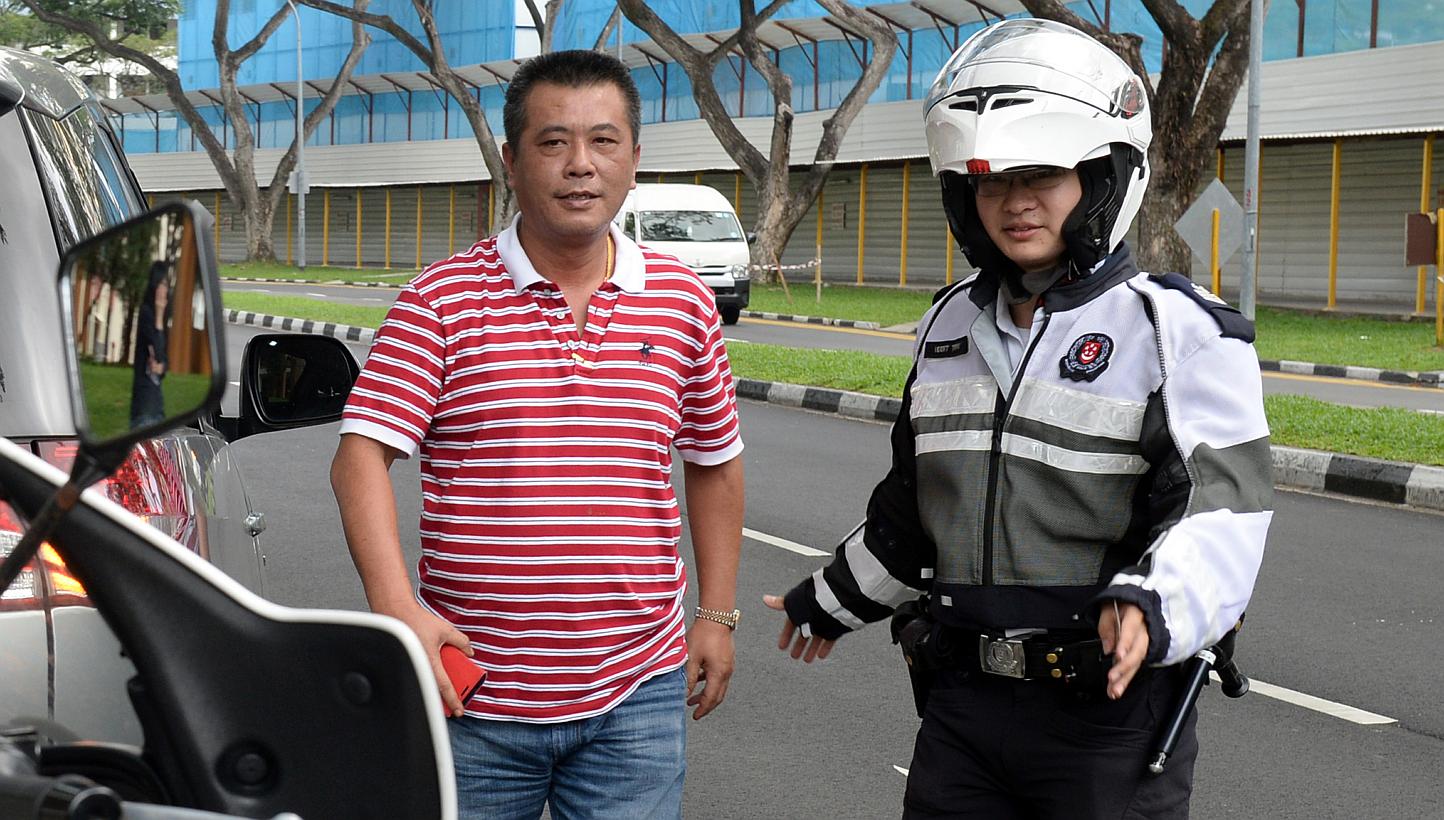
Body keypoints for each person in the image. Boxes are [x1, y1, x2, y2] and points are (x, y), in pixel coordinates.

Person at [764, 18, 1272, 819]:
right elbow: (914, 508)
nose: (1014, 200)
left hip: (1108, 716)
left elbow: (1224, 512)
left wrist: (1150, 601)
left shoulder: (1178, 334)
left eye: (1041, 173)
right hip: (962, 710)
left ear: (1103, 176)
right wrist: (834, 598)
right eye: (992, 180)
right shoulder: (948, 328)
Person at [329, 49, 745, 820]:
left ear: (633, 160)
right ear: (511, 161)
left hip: (638, 697)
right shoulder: (442, 300)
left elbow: (714, 463)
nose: (580, 166)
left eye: (603, 141)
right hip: (472, 696)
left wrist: (716, 616)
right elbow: (361, 457)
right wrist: (396, 605)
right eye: (553, 142)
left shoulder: (684, 303)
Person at [129, 261, 171, 428]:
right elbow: (159, 354)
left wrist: (162, 367)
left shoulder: (156, 317)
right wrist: (160, 314)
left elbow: (164, 363)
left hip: (156, 402)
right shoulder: (147, 314)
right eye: (161, 284)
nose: (164, 290)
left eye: (166, 285)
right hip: (144, 406)